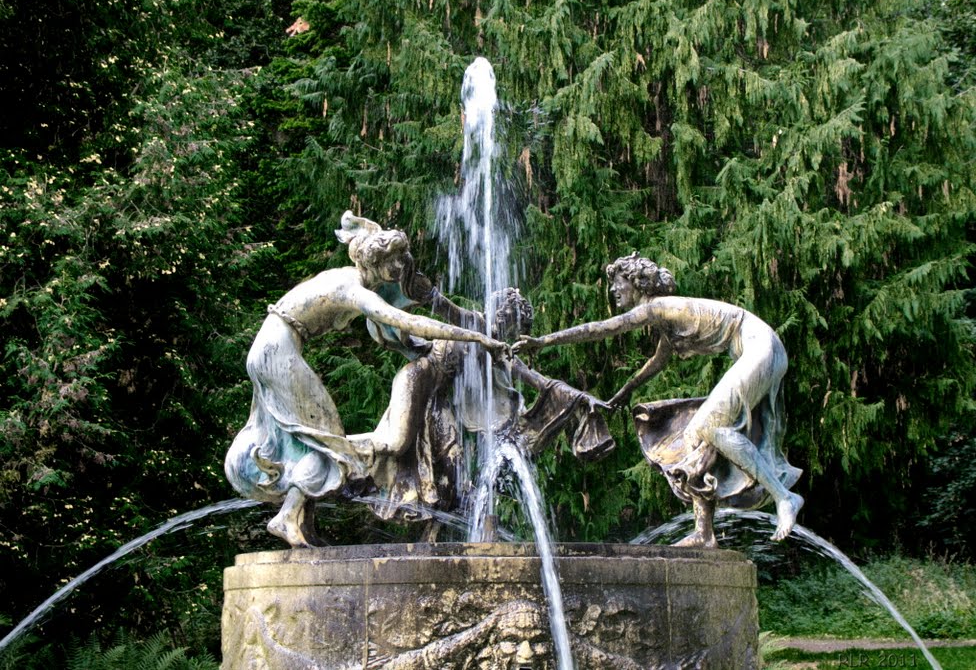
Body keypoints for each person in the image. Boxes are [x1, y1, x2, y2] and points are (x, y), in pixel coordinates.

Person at [224, 211, 508, 548]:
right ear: (377, 262)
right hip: (278, 352)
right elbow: (405, 320)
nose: (399, 271)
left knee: (320, 440)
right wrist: (475, 338)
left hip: (269, 348)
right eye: (395, 264)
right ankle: (287, 517)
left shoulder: (346, 277)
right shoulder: (352, 288)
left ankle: (300, 519)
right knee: (330, 443)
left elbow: (401, 326)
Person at [514, 253, 802, 544]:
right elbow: (655, 363)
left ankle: (784, 496)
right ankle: (705, 534)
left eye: (618, 283)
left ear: (637, 283)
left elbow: (604, 328)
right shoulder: (667, 319)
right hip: (763, 349)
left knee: (710, 427)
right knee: (694, 438)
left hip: (760, 347)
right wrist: (621, 395)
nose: (613, 290)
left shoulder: (660, 306)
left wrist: (544, 341)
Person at [352, 286, 612, 532]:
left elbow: (540, 381)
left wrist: (582, 398)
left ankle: (435, 534)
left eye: (514, 328)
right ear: (500, 313)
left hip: (437, 402)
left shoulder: (499, 351)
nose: (509, 332)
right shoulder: (475, 324)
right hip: (417, 380)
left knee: (453, 468)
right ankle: (340, 454)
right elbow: (444, 307)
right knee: (397, 443)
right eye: (510, 323)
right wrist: (423, 289)